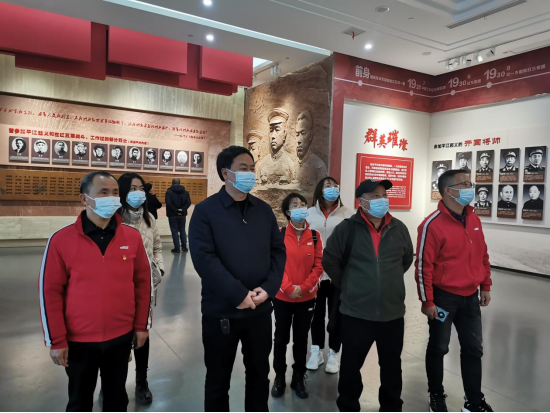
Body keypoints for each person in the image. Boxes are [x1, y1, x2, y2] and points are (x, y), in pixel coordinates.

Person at [39, 171, 153, 413]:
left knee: (117, 399)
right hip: (79, 342)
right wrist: (56, 340)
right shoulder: (61, 240)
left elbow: (143, 284)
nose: (111, 198)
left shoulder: (131, 237)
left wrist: (141, 326)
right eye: (103, 192)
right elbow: (50, 293)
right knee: (79, 401)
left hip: (120, 338)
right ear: (84, 199)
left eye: (115, 193)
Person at [189, 146, 286, 412]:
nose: (250, 174)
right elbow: (204, 259)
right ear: (225, 173)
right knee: (218, 379)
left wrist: (268, 289)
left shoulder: (263, 210)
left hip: (260, 310)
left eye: (252, 168)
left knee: (259, 375)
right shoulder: (206, 211)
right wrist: (238, 294)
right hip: (221, 313)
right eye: (244, 168)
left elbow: (278, 252)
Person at [323, 179, 414, 413]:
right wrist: (350, 285)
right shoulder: (346, 229)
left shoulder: (399, 228)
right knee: (351, 367)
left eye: (384, 195)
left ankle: (391, 408)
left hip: (392, 313)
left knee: (392, 368)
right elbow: (330, 260)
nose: (381, 200)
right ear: (361, 201)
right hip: (356, 313)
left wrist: (387, 281)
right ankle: (348, 406)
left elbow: (406, 259)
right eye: (375, 196)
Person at [415, 169, 493, 413]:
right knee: (439, 347)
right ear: (448, 190)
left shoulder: (474, 219)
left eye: (470, 183)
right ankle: (436, 395)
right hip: (443, 298)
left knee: (474, 349)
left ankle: (473, 401)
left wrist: (485, 285)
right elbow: (423, 266)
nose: (470, 188)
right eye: (465, 184)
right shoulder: (431, 225)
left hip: (471, 298)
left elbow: (482, 254)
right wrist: (427, 301)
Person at [118, 173, 164, 406]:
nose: (138, 193)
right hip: (119, 289)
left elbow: (157, 247)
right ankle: (112, 384)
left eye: (141, 188)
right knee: (118, 339)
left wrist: (159, 269)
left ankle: (141, 382)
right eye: (132, 188)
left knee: (142, 333)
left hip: (145, 289)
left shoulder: (149, 219)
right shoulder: (114, 219)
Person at [271, 193, 323, 400]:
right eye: (295, 205)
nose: (300, 207)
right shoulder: (279, 234)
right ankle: (279, 377)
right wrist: (287, 288)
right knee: (281, 338)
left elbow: (319, 265)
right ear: (288, 212)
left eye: (303, 204)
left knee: (301, 339)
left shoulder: (315, 236)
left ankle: (299, 377)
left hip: (306, 298)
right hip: (283, 297)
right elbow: (275, 263)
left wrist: (305, 287)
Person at [306, 177, 354, 374]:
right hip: (315, 273)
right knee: (315, 315)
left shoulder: (348, 214)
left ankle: (334, 352)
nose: (332, 189)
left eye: (335, 186)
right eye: (328, 186)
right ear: (320, 190)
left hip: (338, 273)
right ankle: (316, 350)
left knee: (336, 315)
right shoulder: (309, 214)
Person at [257, 108, 295, 186]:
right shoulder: (262, 164)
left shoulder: (290, 165)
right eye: (271, 130)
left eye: (277, 130)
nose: (273, 136)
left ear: (284, 134)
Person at [295, 111, 328, 190]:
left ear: (310, 136)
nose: (298, 140)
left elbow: (322, 193)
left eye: (303, 133)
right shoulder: (292, 166)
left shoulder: (319, 166)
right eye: (297, 134)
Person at [165, 178, 191, 253]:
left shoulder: (169, 192)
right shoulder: (185, 192)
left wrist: (176, 211)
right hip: (182, 215)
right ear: (179, 183)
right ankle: (184, 247)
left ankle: (177, 248)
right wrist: (182, 210)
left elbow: (168, 202)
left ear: (172, 183)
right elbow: (188, 202)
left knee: (174, 231)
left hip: (172, 215)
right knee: (182, 230)